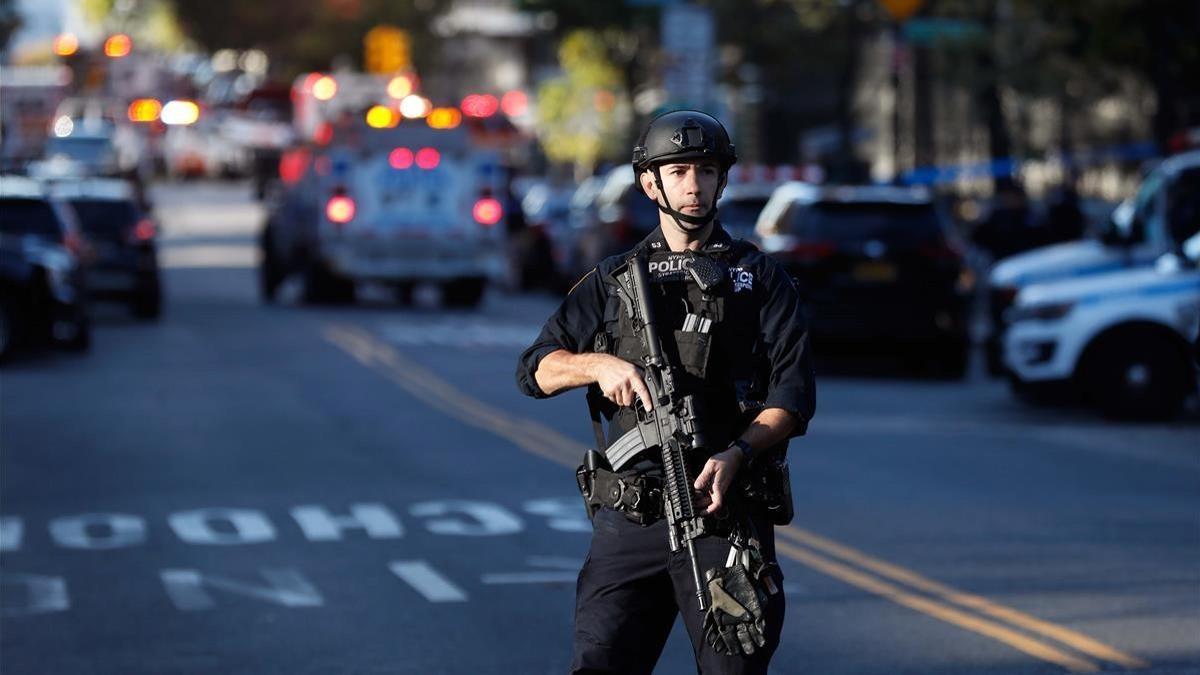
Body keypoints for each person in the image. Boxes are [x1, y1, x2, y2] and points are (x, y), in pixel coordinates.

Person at [515, 109, 816, 674]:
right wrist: (598, 365)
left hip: (724, 512)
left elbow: (793, 397)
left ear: (722, 179)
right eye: (677, 170)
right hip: (632, 517)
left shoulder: (759, 279)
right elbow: (535, 369)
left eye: (705, 170)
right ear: (650, 182)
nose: (693, 185)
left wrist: (739, 453)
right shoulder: (613, 279)